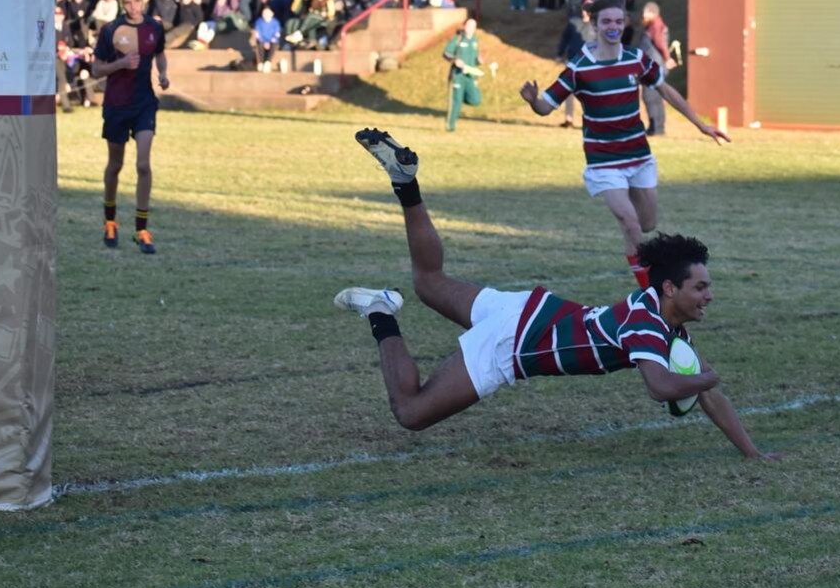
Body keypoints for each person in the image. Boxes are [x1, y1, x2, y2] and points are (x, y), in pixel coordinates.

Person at [335, 129, 781, 462]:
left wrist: (753, 453)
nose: (710, 296)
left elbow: (708, 396)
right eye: (701, 287)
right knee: (411, 412)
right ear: (671, 288)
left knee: (429, 281)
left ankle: (406, 183)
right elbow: (661, 388)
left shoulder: (659, 314)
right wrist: (706, 377)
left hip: (529, 307)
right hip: (516, 342)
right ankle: (380, 310)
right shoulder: (648, 327)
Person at [519, 0, 727, 289]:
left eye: (618, 20)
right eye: (606, 21)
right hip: (604, 162)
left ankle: (634, 251)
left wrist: (701, 125)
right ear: (595, 24)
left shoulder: (636, 59)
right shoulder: (579, 67)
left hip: (639, 156)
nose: (613, 26)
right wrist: (532, 100)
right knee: (630, 224)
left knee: (646, 224)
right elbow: (545, 107)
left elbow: (666, 91)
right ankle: (650, 293)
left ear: (625, 23)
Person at [91, 0, 169, 254]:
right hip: (116, 105)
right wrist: (120, 64)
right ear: (121, 4)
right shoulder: (110, 30)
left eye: (137, 1)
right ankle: (110, 221)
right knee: (115, 165)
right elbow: (96, 70)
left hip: (144, 103)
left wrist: (162, 73)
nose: (133, 7)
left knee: (144, 165)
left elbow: (160, 53)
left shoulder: (155, 27)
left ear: (143, 0)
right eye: (128, 2)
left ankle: (142, 228)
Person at [555, 0, 597, 128]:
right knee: (569, 91)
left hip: (589, 65)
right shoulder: (573, 22)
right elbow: (565, 39)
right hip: (572, 62)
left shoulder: (597, 25)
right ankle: (569, 119)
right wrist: (559, 54)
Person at [639, 1, 678, 136]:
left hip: (653, 66)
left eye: (645, 12)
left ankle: (656, 128)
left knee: (650, 96)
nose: (643, 15)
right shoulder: (656, 25)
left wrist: (667, 58)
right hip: (655, 65)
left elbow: (659, 42)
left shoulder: (655, 25)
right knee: (656, 96)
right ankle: (657, 127)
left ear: (652, 13)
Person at [442, 17, 483, 132]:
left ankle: (462, 97)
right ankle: (450, 126)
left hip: (470, 76)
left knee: (476, 99)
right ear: (464, 26)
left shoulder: (475, 41)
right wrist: (455, 60)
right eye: (469, 26)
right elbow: (446, 53)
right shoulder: (458, 39)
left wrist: (479, 60)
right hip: (458, 76)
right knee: (456, 102)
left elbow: (475, 60)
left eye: (473, 26)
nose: (470, 29)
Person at [253, 5, 281, 72]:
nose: (266, 14)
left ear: (272, 13)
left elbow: (276, 33)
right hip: (262, 41)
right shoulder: (259, 22)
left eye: (268, 13)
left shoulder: (276, 22)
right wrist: (263, 41)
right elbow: (258, 33)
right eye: (264, 13)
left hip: (272, 41)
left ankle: (268, 62)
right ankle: (261, 62)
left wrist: (270, 41)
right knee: (259, 44)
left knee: (274, 43)